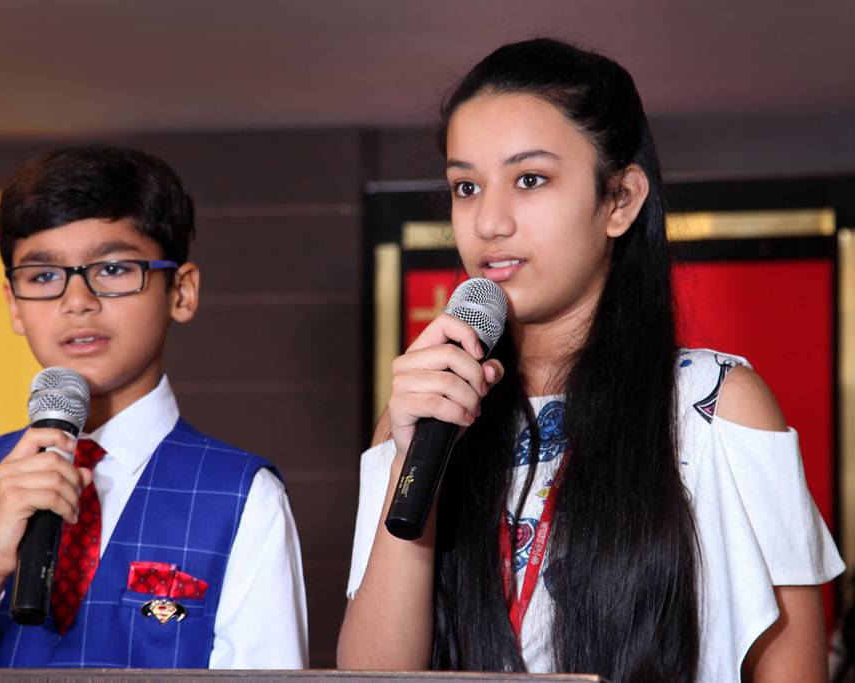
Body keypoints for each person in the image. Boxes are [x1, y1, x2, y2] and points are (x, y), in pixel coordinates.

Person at [337, 39, 843, 683]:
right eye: (466, 186)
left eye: (530, 179)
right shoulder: (423, 411)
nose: (488, 222)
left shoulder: (716, 405)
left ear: (621, 199)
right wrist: (415, 463)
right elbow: (372, 675)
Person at [0, 146, 307, 669]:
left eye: (112, 268)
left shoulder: (243, 497)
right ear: (13, 305)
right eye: (43, 276)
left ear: (181, 291)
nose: (76, 300)